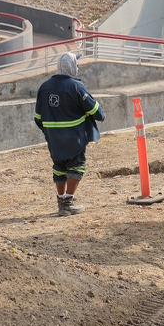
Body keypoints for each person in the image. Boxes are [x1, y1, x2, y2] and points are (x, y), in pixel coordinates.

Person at [34, 52, 105, 216]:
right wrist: (99, 114)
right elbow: (96, 111)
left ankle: (61, 203)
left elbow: (38, 118)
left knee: (59, 167)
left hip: (54, 139)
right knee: (77, 166)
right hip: (74, 137)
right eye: (76, 64)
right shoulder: (76, 86)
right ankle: (68, 203)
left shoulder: (44, 87)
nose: (78, 67)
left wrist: (51, 131)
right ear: (71, 67)